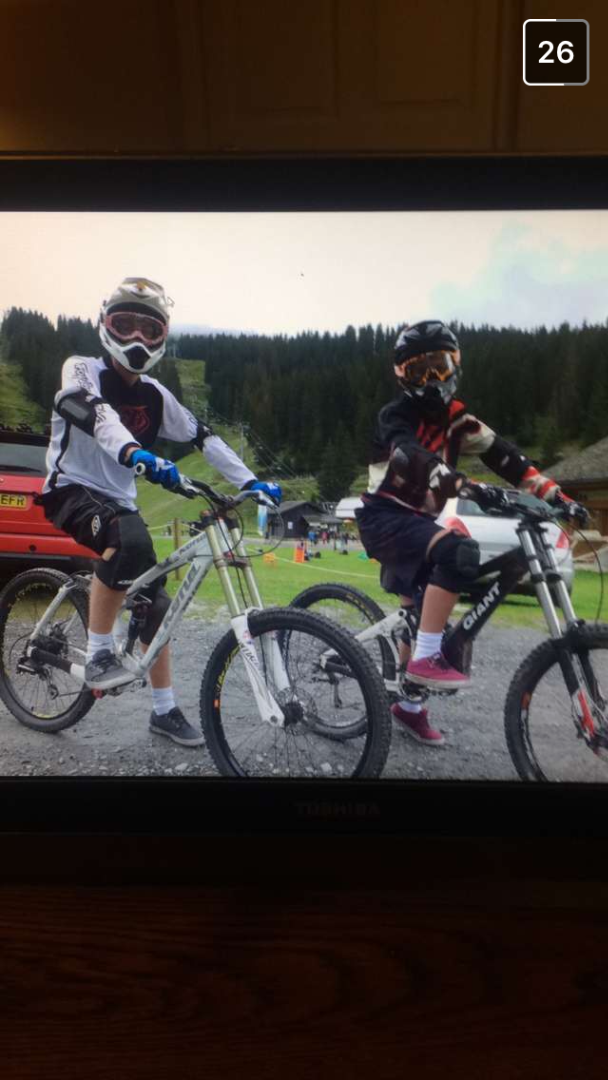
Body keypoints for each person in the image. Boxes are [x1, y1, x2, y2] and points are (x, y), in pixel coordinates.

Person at [39, 277, 281, 747]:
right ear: (105, 326)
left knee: (159, 609)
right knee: (126, 537)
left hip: (120, 501)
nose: (136, 338)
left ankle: (164, 710)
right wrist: (136, 453)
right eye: (124, 325)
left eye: (149, 329)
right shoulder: (82, 368)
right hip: (70, 489)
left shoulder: (155, 394)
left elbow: (202, 436)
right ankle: (99, 653)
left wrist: (249, 481)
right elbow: (92, 411)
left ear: (162, 338)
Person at [355, 319, 586, 747]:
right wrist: (463, 485)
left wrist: (557, 496)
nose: (431, 379)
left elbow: (507, 459)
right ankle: (426, 659)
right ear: (402, 376)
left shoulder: (459, 418)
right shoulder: (395, 416)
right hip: (383, 518)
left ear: (455, 366)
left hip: (418, 523)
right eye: (419, 370)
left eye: (439, 366)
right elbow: (410, 456)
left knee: (420, 612)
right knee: (457, 552)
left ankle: (408, 706)